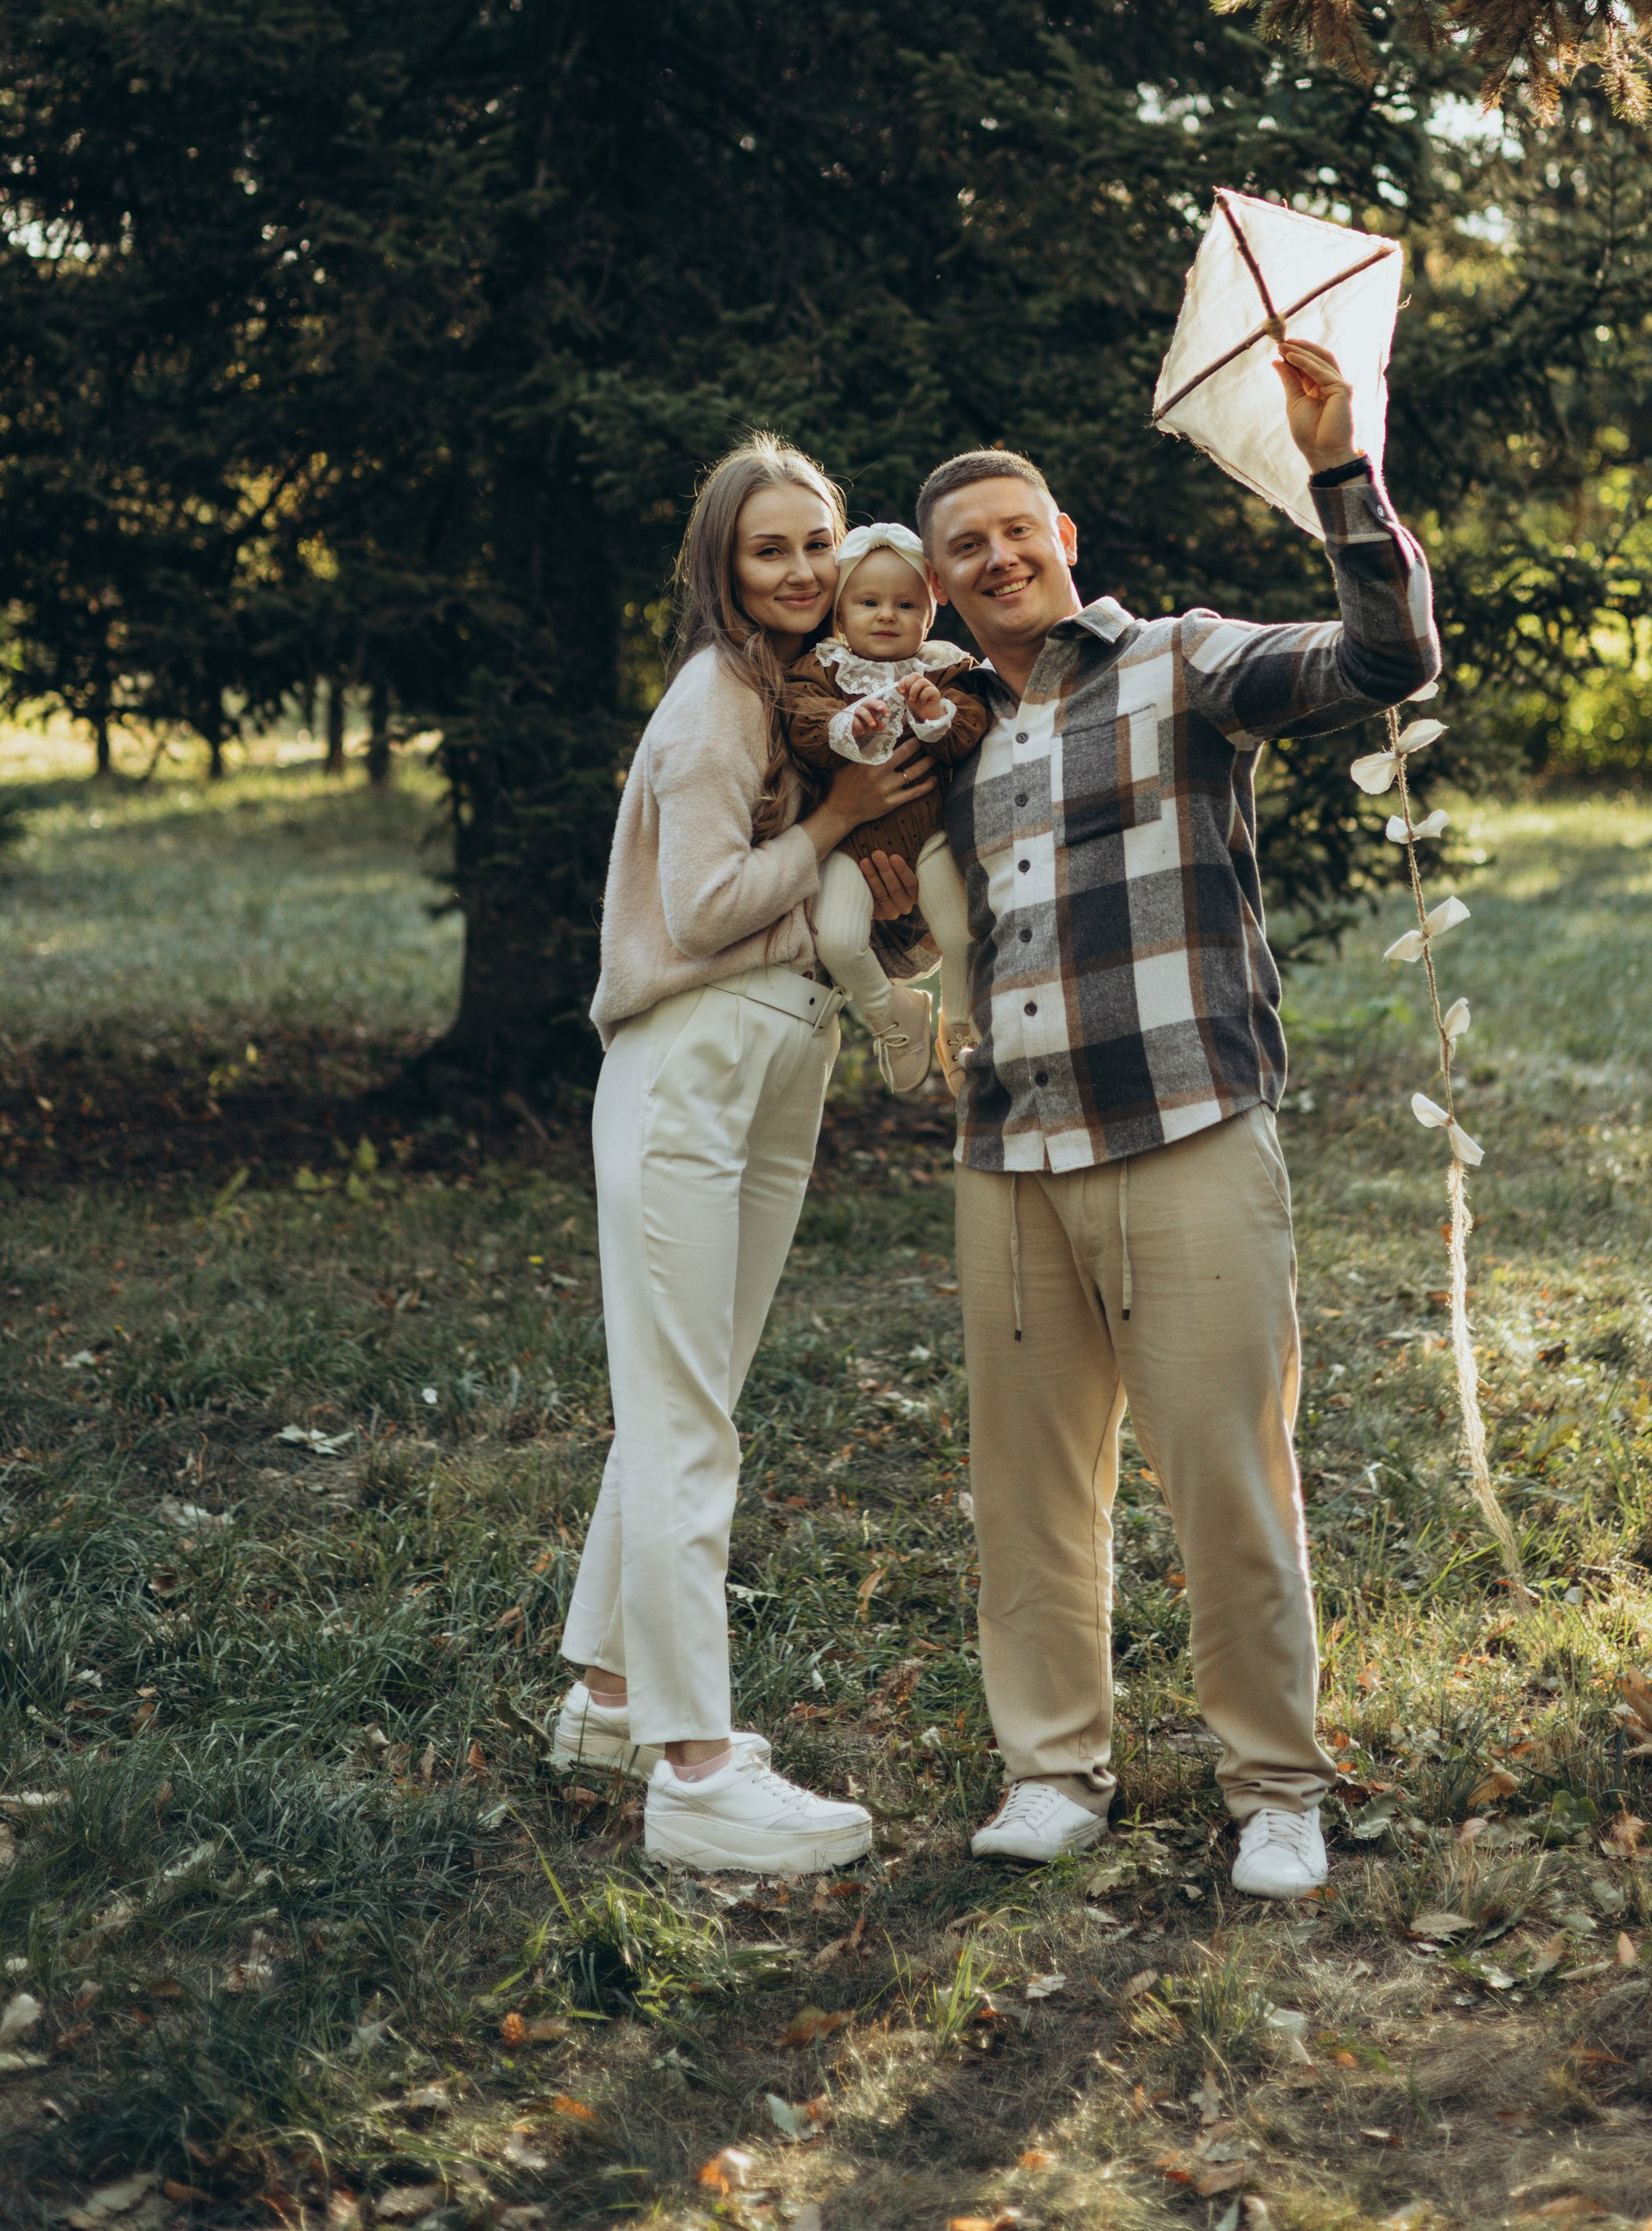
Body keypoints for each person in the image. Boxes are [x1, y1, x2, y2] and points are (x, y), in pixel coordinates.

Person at [892, 339, 1437, 1899]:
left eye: (1018, 529)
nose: (997, 556)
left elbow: (1384, 662)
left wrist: (1342, 470)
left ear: (1066, 544)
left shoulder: (1184, 661)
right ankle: (1051, 1771)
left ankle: (1276, 1786)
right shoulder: (945, 734)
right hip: (1008, 1151)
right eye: (964, 548)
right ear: (940, 585)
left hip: (1185, 1124)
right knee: (1029, 1489)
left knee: (1226, 1466)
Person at [548, 436, 934, 1875]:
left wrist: (878, 869)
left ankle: (606, 1696)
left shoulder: (815, 692)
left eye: (818, 543)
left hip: (786, 1048)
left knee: (694, 1387)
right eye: (769, 550)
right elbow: (704, 907)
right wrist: (837, 823)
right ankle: (696, 1770)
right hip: (691, 1056)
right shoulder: (716, 702)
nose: (801, 571)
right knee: (681, 1412)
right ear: (723, 565)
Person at [781, 521, 992, 1092]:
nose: (886, 615)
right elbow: (803, 725)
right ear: (840, 614)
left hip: (930, 836)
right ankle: (889, 1013)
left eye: (905, 604)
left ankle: (964, 1025)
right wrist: (846, 724)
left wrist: (934, 714)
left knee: (958, 932)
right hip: (850, 843)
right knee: (838, 939)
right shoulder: (822, 671)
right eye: (868, 602)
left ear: (929, 615)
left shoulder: (948, 670)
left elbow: (971, 727)